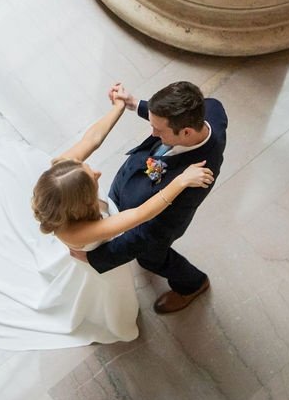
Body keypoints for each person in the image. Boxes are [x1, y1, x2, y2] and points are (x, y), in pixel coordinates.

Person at [0, 93, 213, 350]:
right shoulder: (84, 230)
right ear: (82, 203)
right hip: (96, 269)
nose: (96, 170)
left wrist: (118, 108)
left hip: (76, 252)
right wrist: (180, 183)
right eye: (92, 177)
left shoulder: (58, 175)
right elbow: (139, 215)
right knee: (106, 294)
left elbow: (91, 139)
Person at [70, 81, 227, 314]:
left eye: (158, 130)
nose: (153, 133)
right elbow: (199, 113)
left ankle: (192, 284)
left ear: (186, 132)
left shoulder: (195, 180)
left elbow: (150, 233)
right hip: (133, 178)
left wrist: (98, 258)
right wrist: (135, 104)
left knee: (150, 258)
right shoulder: (210, 109)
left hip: (151, 220)